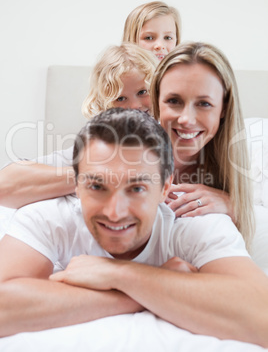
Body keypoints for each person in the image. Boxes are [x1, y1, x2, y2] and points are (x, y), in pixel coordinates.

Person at [0, 108, 267, 347]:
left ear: (165, 187)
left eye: (137, 188)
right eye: (97, 186)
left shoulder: (193, 222)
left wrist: (120, 274)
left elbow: (261, 314)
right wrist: (139, 292)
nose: (115, 212)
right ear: (77, 185)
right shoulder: (50, 216)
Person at [0, 43, 157, 208]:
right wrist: (99, 175)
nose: (134, 106)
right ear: (106, 106)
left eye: (142, 92)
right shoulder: (96, 146)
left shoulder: (174, 134)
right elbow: (5, 182)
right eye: (120, 98)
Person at [150, 41, 255, 249]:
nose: (186, 119)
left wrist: (233, 205)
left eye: (204, 104)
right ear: (157, 102)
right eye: (173, 100)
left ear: (223, 109)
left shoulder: (233, 172)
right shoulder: (124, 147)